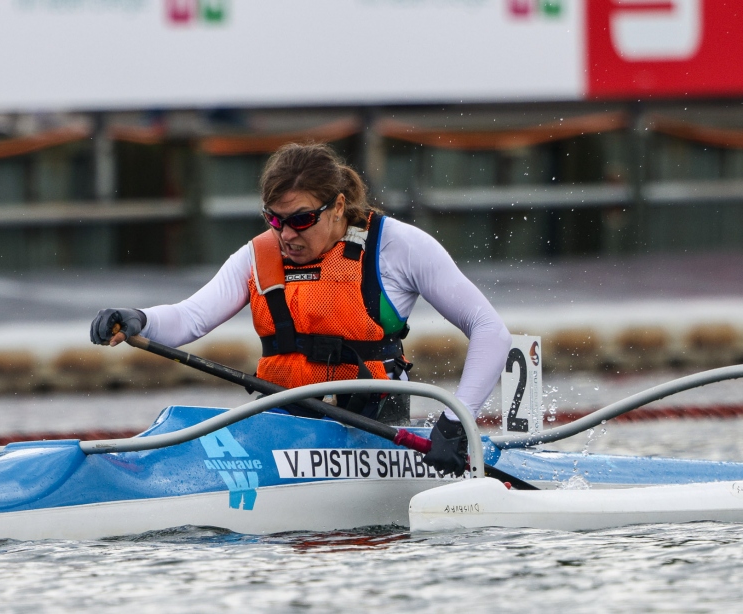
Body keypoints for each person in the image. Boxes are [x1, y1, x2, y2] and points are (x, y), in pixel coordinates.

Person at [91, 143, 511, 476]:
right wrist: (140, 319)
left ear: (339, 207)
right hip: (283, 423)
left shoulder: (398, 247)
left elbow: (490, 329)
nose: (286, 235)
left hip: (371, 428)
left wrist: (457, 423)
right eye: (275, 220)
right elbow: (190, 317)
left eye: (301, 219)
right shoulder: (257, 257)